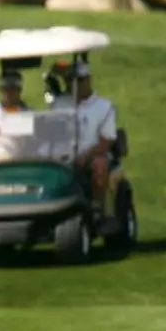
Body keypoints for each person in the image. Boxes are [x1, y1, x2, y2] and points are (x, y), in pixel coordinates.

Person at [65, 60, 118, 217]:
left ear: (88, 79)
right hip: (63, 155)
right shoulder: (60, 104)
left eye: (79, 80)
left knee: (100, 165)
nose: (75, 84)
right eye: (70, 80)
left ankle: (97, 207)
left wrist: (86, 155)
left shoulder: (104, 106)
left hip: (92, 155)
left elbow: (106, 141)